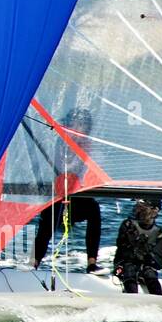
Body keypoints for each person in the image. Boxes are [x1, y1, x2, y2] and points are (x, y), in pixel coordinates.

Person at [33, 108, 102, 273]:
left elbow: (90, 166)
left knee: (94, 210)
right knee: (46, 224)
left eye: (83, 125)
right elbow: (63, 166)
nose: (79, 128)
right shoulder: (61, 142)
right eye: (76, 124)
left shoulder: (87, 145)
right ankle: (34, 263)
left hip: (77, 198)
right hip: (58, 195)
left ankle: (92, 263)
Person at [114, 199, 162, 295]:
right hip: (125, 264)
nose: (139, 211)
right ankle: (132, 299)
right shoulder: (128, 225)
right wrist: (134, 243)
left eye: (143, 208)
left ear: (155, 211)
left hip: (145, 266)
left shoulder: (159, 233)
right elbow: (121, 249)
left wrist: (149, 255)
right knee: (129, 270)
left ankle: (159, 303)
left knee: (150, 273)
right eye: (138, 207)